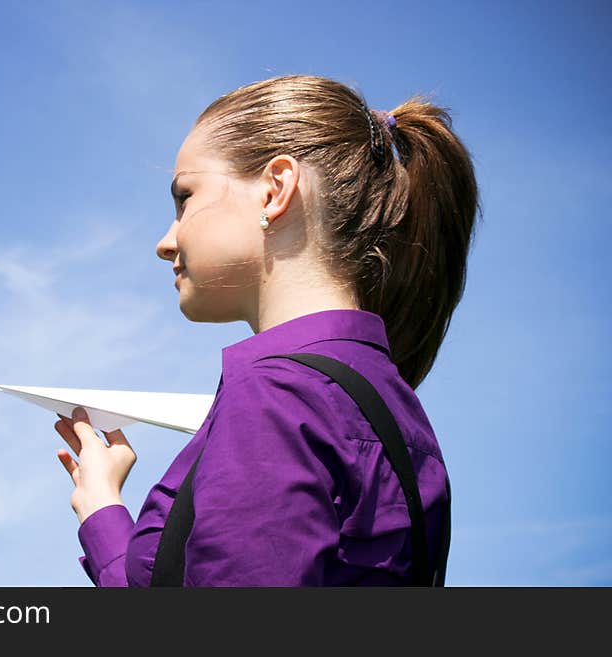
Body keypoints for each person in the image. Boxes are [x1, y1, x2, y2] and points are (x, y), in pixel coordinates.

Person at [53, 74, 480, 586]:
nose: (166, 242)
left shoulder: (275, 395)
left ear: (275, 190)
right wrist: (102, 509)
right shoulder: (392, 405)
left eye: (184, 198)